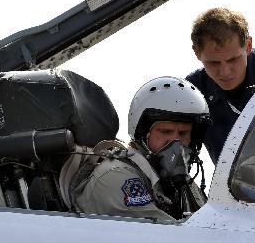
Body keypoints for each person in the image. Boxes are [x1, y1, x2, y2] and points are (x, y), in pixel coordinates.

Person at [65, 76, 211, 221]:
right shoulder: (117, 177)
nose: (176, 143)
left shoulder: (181, 184)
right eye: (165, 131)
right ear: (143, 134)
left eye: (183, 133)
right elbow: (166, 239)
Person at [186, 7, 255, 164]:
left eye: (233, 60)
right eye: (213, 63)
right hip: (239, 186)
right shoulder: (191, 94)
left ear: (248, 45)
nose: (225, 72)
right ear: (197, 53)